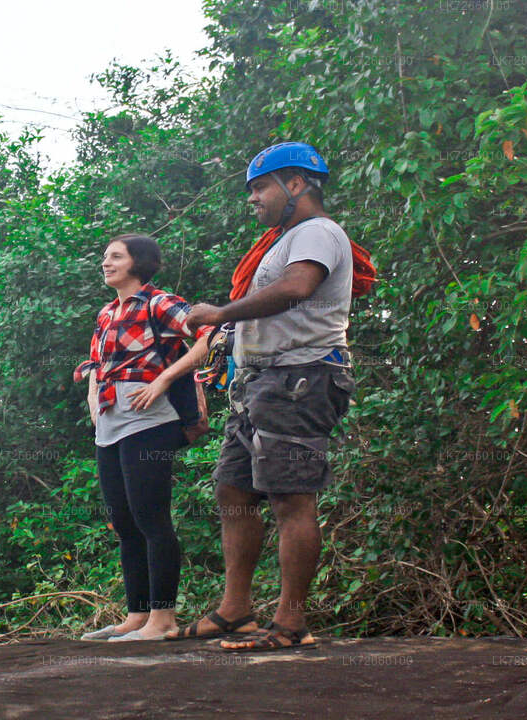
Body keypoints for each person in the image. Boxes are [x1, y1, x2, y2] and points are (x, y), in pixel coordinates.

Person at [164, 142, 375, 651]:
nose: (253, 199)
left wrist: (220, 313)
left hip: (300, 379)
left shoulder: (319, 233)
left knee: (290, 497)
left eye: (260, 188)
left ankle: (291, 622)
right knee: (234, 491)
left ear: (296, 184)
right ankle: (235, 612)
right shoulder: (282, 240)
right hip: (259, 382)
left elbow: (297, 288)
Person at [73, 233, 212, 641]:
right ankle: (137, 616)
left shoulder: (158, 302)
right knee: (124, 521)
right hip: (111, 423)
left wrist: (165, 378)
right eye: (105, 256)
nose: (106, 262)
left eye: (115, 256)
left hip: (150, 421)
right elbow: (97, 363)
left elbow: (209, 335)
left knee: (151, 518)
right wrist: (92, 397)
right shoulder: (106, 313)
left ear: (138, 263)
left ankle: (163, 619)